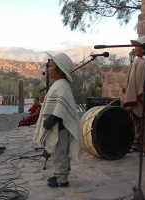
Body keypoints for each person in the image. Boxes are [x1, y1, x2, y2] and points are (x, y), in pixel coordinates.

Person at [33, 52, 83, 187]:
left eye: (51, 66)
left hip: (60, 126)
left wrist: (51, 121)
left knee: (60, 153)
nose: (48, 69)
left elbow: (60, 109)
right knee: (57, 153)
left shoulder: (62, 85)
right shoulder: (59, 84)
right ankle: (58, 175)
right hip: (58, 126)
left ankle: (62, 179)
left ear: (59, 70)